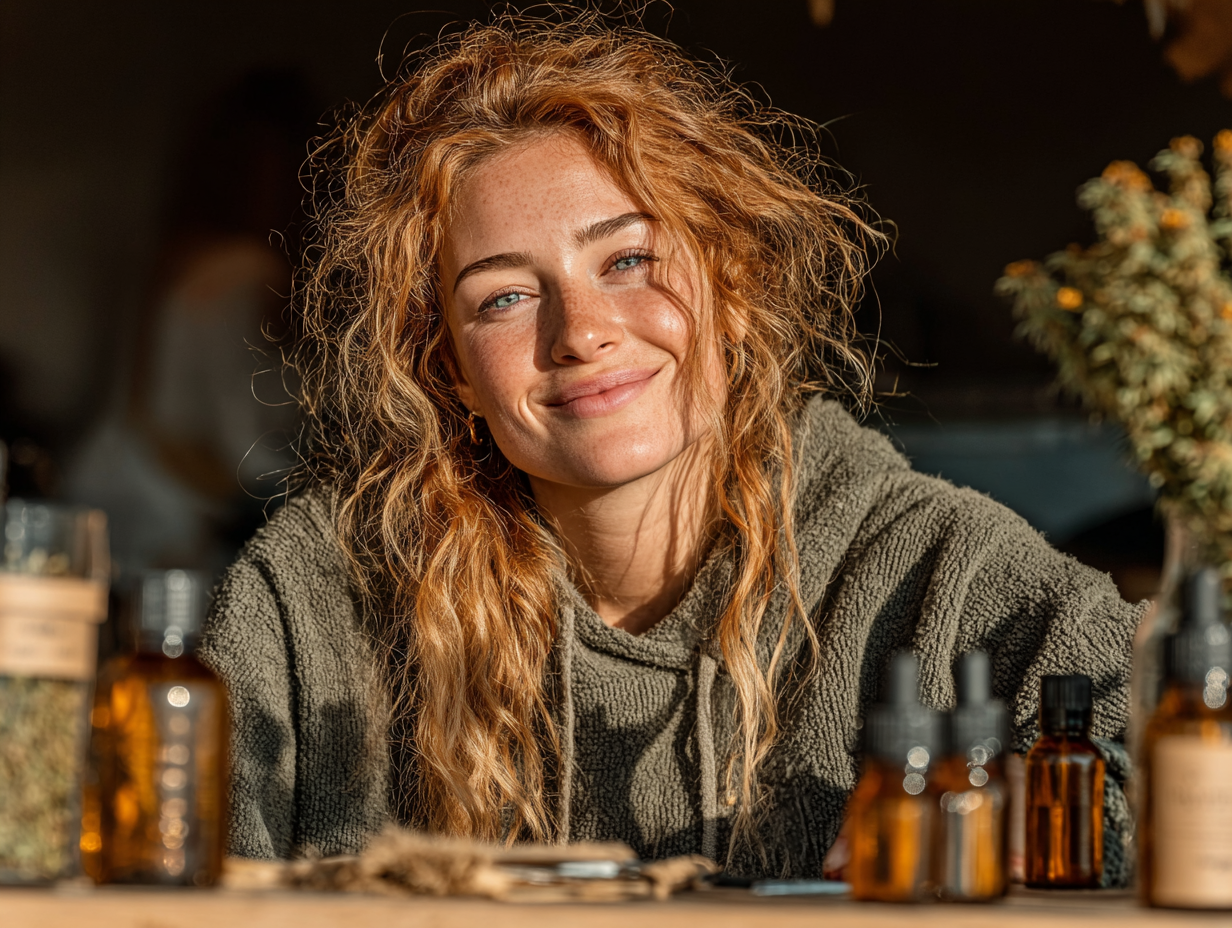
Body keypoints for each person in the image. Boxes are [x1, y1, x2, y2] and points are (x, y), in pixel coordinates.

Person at [200, 12, 1142, 880]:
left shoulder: (943, 578)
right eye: (503, 297)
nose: (582, 331)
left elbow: (1163, 748)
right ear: (449, 371)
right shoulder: (317, 601)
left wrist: (1059, 813)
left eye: (627, 261)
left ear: (730, 288)